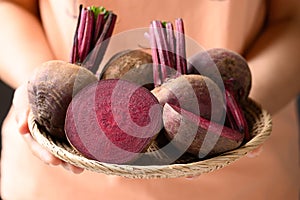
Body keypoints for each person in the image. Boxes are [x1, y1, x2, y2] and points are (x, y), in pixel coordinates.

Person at [0, 0, 299, 199]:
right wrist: (38, 80)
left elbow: (292, 20)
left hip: (244, 184)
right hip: (58, 183)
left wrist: (234, 118)